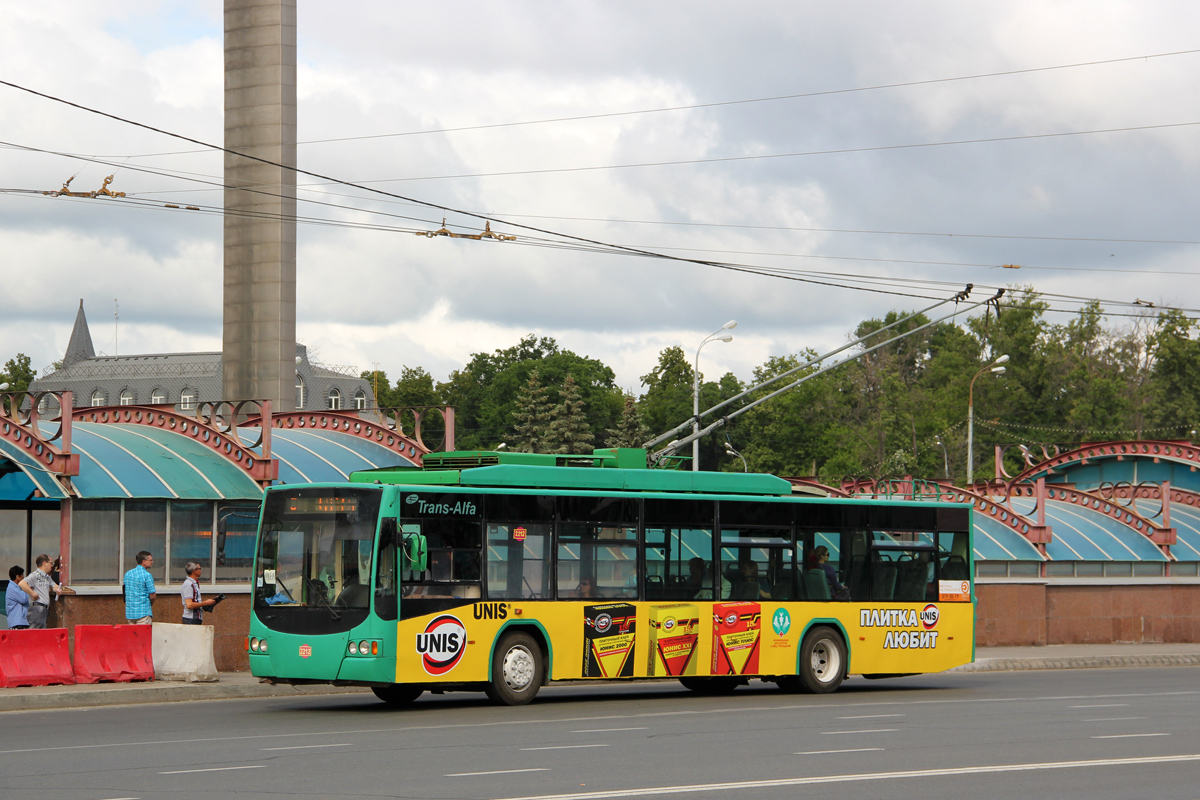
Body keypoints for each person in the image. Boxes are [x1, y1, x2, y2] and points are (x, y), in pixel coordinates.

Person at [26, 554, 64, 629]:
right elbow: (22, 583)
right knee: (35, 631)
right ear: (44, 563)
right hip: (37, 607)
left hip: (44, 608)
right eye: (50, 563)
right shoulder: (35, 575)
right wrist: (33, 594)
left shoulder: (47, 577)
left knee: (41, 631)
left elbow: (54, 586)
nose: (52, 565)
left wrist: (58, 589)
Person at [123, 550, 157, 624]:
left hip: (130, 613)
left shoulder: (127, 574)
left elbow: (124, 591)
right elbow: (153, 596)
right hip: (143, 613)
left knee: (132, 635)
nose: (152, 562)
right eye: (150, 560)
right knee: (144, 635)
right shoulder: (147, 575)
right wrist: (149, 605)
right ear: (144, 561)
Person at [5, 565, 37, 630]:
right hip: (17, 622)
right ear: (17, 576)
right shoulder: (12, 588)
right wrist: (28, 589)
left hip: (22, 622)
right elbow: (24, 599)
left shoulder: (17, 587)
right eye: (22, 575)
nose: (23, 577)